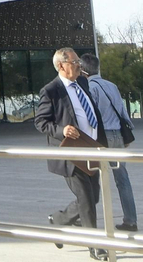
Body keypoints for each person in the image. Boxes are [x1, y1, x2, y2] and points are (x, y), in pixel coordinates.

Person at [36, 48, 108, 261]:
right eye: (75, 62)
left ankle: (59, 220)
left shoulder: (83, 83)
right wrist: (62, 130)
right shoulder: (51, 91)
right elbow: (40, 122)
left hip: (91, 148)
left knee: (93, 197)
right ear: (61, 66)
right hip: (71, 153)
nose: (79, 65)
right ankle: (96, 247)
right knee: (86, 200)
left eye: (79, 61)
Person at [82, 53, 138, 233]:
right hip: (117, 136)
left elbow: (92, 116)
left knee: (93, 179)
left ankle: (83, 216)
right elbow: (122, 111)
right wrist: (127, 134)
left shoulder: (90, 87)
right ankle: (130, 220)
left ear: (83, 70)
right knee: (122, 180)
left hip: (102, 136)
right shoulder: (111, 85)